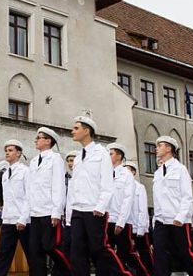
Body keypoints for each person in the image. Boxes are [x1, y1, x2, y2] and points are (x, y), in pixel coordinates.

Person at [67, 116, 130, 276]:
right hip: (78, 210)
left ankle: (121, 273)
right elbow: (75, 186)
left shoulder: (101, 153)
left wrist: (101, 206)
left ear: (86, 131)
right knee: (77, 252)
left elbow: (107, 183)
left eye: (76, 128)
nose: (72, 131)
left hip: (94, 210)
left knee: (98, 249)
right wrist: (70, 212)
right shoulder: (79, 157)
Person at [152, 136, 193, 276]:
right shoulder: (158, 172)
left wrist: (180, 216)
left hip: (178, 220)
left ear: (169, 148)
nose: (157, 148)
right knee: (159, 254)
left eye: (160, 145)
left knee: (185, 253)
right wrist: (155, 218)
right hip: (161, 220)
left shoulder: (180, 169)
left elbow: (187, 196)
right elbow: (157, 198)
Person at [26, 127, 71, 275]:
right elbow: (31, 189)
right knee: (34, 249)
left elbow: (58, 185)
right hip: (35, 212)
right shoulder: (33, 161)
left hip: (48, 211)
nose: (36, 140)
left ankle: (68, 269)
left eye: (39, 137)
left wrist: (57, 212)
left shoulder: (55, 159)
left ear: (48, 141)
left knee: (49, 246)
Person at [106, 143, 148, 276]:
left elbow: (128, 200)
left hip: (122, 221)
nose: (108, 156)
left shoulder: (126, 175)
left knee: (126, 253)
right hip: (107, 220)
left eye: (111, 154)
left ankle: (145, 273)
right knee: (106, 253)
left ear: (119, 156)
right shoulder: (105, 173)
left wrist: (121, 221)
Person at [0, 139, 31, 276]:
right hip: (8, 219)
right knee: (2, 253)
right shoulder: (5, 174)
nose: (7, 153)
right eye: (6, 151)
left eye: (10, 150)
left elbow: (29, 196)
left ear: (19, 153)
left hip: (23, 220)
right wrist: (5, 217)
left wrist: (23, 218)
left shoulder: (26, 171)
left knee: (31, 253)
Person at [126, 162, 153, 273]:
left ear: (133, 172)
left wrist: (141, 228)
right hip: (128, 226)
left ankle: (150, 272)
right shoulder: (123, 187)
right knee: (129, 252)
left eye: (128, 170)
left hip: (139, 227)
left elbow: (142, 209)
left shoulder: (139, 187)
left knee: (144, 252)